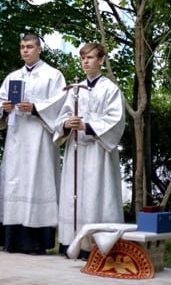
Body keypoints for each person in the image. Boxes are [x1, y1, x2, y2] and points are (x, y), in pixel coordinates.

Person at [0, 34, 66, 254]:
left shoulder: (53, 76)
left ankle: (36, 242)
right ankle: (13, 239)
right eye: (22, 47)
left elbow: (60, 104)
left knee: (37, 181)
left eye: (29, 47)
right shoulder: (13, 76)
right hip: (16, 138)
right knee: (14, 181)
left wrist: (35, 108)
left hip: (39, 140)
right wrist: (3, 108)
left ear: (39, 49)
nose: (25, 51)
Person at [53, 42, 126, 256]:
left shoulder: (110, 89)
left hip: (98, 152)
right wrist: (67, 124)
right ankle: (70, 243)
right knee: (73, 195)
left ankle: (96, 246)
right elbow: (62, 116)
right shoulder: (74, 90)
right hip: (76, 152)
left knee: (96, 195)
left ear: (101, 60)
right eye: (83, 58)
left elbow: (116, 121)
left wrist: (88, 126)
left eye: (91, 58)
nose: (86, 61)